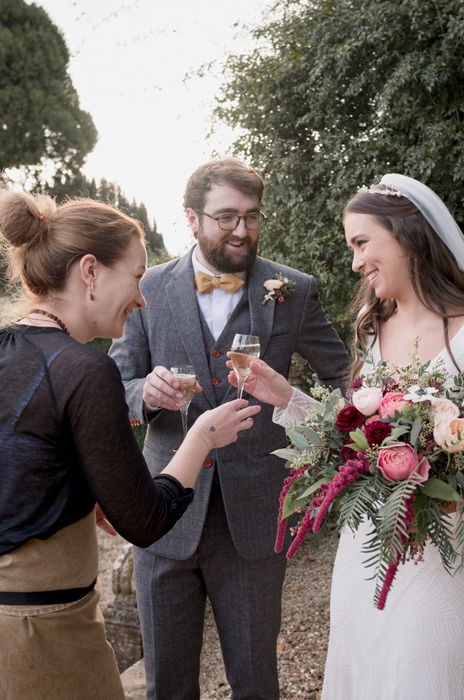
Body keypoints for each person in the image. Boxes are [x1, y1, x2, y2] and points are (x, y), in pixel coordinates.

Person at [230, 175, 464, 699]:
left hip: (444, 563)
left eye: (362, 243)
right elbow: (348, 438)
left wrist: (453, 484)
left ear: (406, 234)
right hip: (364, 554)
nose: (354, 263)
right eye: (350, 248)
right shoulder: (371, 329)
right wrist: (282, 395)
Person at [0, 185, 260, 700]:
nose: (143, 298)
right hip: (42, 647)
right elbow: (145, 522)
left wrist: (75, 491)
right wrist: (201, 437)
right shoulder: (85, 370)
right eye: (138, 277)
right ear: (90, 272)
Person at [108, 157, 348, 699]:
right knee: (166, 684)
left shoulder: (294, 290)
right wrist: (144, 394)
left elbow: (344, 377)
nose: (242, 230)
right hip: (164, 514)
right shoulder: (148, 288)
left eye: (252, 217)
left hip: (256, 519)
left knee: (256, 681)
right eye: (226, 217)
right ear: (192, 218)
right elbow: (116, 384)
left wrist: (300, 415)